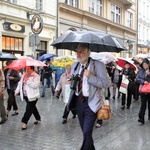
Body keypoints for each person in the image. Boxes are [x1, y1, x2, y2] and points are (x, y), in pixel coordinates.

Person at [70, 43, 110, 150]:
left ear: (88, 53)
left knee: (87, 131)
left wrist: (90, 77)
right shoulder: (75, 65)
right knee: (85, 131)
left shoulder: (98, 65)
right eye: (77, 51)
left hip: (92, 102)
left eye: (81, 51)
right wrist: (72, 80)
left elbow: (105, 83)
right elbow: (74, 81)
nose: (78, 54)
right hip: (79, 102)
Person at [136, 58, 150, 124]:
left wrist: (148, 75)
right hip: (143, 90)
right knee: (143, 104)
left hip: (149, 90)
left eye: (146, 64)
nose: (145, 66)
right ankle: (141, 118)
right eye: (144, 64)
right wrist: (143, 81)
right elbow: (137, 78)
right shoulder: (141, 70)